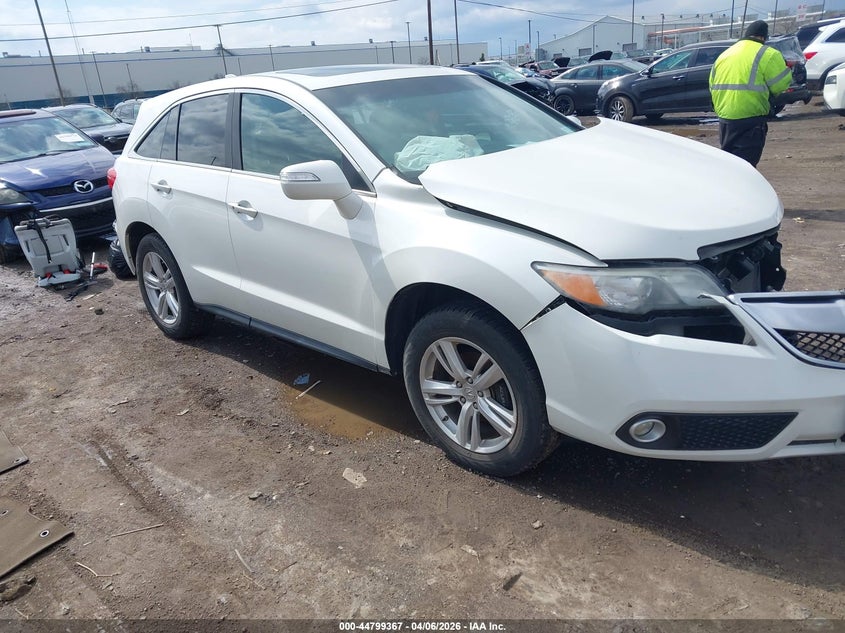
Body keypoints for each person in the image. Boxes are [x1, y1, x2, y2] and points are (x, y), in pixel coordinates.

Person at [709, 20, 792, 167]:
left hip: (725, 120)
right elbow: (780, 85)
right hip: (751, 119)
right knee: (746, 169)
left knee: (730, 165)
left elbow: (712, 85)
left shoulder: (725, 54)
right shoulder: (768, 54)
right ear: (763, 37)